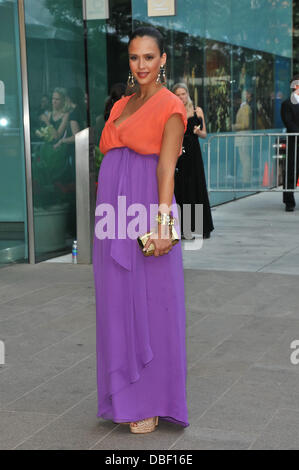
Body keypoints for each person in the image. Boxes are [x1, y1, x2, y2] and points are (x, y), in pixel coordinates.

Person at [92, 26, 189, 433]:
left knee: (151, 303)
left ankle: (151, 398)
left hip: (145, 212)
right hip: (110, 216)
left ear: (163, 59)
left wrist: (163, 225)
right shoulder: (120, 105)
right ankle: (123, 396)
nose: (142, 64)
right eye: (134, 57)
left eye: (149, 57)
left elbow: (166, 167)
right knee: (115, 303)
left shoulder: (170, 106)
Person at [172, 83, 214, 239]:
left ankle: (203, 227)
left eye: (183, 93)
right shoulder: (173, 111)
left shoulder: (197, 110)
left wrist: (198, 131)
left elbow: (204, 134)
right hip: (179, 151)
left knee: (197, 186)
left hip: (194, 151)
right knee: (182, 188)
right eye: (178, 94)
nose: (181, 97)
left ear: (187, 94)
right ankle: (185, 229)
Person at [280, 74, 299, 211]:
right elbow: (289, 123)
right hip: (294, 142)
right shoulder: (287, 103)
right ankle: (289, 202)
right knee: (291, 170)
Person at [232, 89, 253, 187]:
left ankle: (246, 180)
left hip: (243, 137)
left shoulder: (245, 108)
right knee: (244, 159)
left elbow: (245, 124)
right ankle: (246, 179)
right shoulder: (244, 107)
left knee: (245, 159)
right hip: (242, 137)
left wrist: (233, 126)